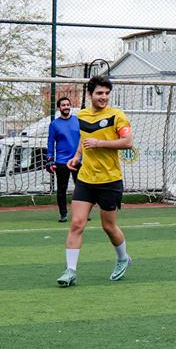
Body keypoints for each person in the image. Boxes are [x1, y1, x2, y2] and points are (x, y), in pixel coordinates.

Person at [58, 75, 134, 285]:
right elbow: (84, 139)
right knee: (76, 223)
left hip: (109, 179)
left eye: (107, 93)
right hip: (86, 179)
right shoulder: (82, 115)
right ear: (90, 94)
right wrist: (77, 156)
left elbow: (128, 142)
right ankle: (70, 271)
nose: (104, 97)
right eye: (99, 93)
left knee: (108, 227)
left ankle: (122, 258)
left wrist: (99, 143)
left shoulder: (117, 115)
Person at [45, 95, 80, 222]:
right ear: (59, 108)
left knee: (81, 189)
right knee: (62, 189)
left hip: (77, 160)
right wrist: (49, 159)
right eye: (63, 105)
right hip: (61, 161)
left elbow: (83, 138)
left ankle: (81, 213)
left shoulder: (78, 120)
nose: (66, 107)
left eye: (68, 105)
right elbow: (50, 142)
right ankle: (63, 214)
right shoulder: (54, 124)